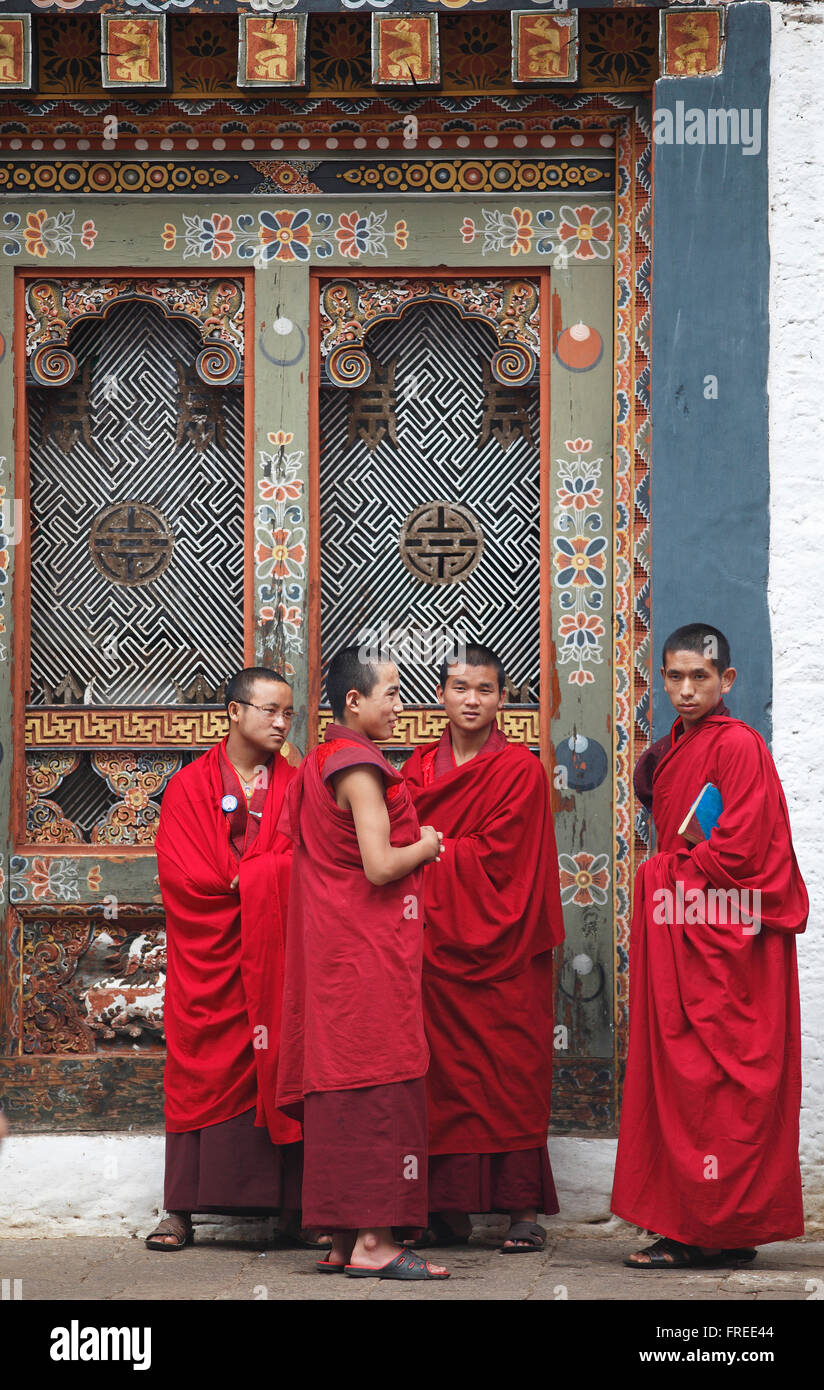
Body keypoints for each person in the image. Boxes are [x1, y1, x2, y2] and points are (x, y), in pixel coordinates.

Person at [612, 623, 808, 1267]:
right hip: (688, 931)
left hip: (727, 943)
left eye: (701, 676)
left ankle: (720, 1232)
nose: (687, 689)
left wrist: (662, 871)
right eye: (675, 676)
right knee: (683, 1080)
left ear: (727, 680)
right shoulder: (675, 744)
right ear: (661, 678)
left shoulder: (739, 746)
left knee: (720, 1082)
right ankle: (694, 1227)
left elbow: (743, 850)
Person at [276, 647, 449, 1280]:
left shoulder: (319, 758)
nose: (401, 707)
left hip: (334, 949)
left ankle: (346, 1238)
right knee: (381, 1082)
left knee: (340, 1084)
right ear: (355, 701)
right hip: (369, 952)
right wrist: (427, 845)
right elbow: (379, 866)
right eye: (392, 694)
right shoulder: (357, 766)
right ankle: (376, 1243)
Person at [403, 644, 565, 1252]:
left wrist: (435, 847)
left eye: (485, 690)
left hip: (507, 948)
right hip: (432, 947)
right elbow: (395, 843)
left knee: (509, 1070)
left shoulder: (520, 770)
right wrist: (433, 845)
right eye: (460, 687)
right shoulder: (417, 768)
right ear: (442, 695)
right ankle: (444, 1208)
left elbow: (508, 859)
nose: (472, 700)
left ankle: (521, 1206)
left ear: (503, 699)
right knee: (438, 1075)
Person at [146, 668, 305, 1251]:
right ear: (234, 712)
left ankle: (296, 1208)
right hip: (209, 959)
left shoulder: (298, 783)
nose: (281, 723)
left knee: (285, 1064)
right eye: (268, 710)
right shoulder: (189, 786)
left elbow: (311, 863)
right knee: (199, 1067)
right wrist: (256, 878)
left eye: (288, 712)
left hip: (277, 957)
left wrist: (257, 877)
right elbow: (181, 874)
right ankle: (181, 1209)